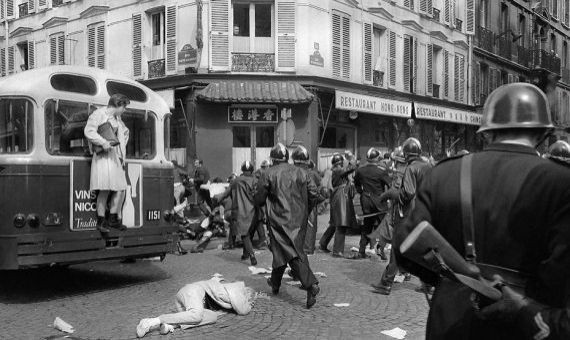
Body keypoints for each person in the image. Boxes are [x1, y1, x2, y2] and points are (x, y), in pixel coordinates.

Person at [394, 83, 570, 340]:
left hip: (452, 321)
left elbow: (405, 247)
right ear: (543, 132)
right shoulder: (562, 183)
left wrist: (457, 278)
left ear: (486, 132)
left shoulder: (443, 173)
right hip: (525, 324)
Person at [255, 143, 322, 309]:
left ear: (273, 158)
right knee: (284, 251)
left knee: (290, 253)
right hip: (299, 219)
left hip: (279, 219)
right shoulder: (301, 172)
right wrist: (305, 210)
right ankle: (275, 283)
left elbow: (259, 198)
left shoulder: (268, 173)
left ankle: (310, 283)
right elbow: (314, 194)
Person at [372, 137, 431, 295]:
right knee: (424, 250)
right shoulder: (428, 166)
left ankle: (386, 283)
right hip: (425, 213)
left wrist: (391, 193)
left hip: (408, 214)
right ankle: (429, 284)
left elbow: (407, 194)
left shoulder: (411, 168)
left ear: (406, 154)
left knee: (397, 249)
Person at [136, 277, 256, 338]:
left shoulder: (230, 297)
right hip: (193, 292)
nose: (248, 300)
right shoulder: (235, 289)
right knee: (197, 315)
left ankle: (171, 325)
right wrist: (249, 304)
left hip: (193, 304)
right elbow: (242, 309)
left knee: (213, 316)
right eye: (249, 298)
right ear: (245, 293)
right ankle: (151, 321)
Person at [84, 93, 131, 233]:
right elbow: (89, 131)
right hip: (103, 157)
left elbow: (124, 133)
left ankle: (112, 218)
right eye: (124, 107)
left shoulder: (118, 118)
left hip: (114, 157)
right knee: (104, 189)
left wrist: (120, 149)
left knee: (121, 187)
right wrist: (103, 142)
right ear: (117, 105)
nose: (125, 110)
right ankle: (101, 221)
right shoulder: (98, 114)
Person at [349, 148, 391, 260]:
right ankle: (380, 249)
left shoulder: (360, 170)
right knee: (385, 227)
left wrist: (362, 192)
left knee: (366, 226)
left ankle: (361, 251)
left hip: (366, 201)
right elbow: (390, 185)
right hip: (379, 201)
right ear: (377, 158)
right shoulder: (382, 170)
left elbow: (356, 184)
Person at [214, 161, 258, 266]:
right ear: (251, 170)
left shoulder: (235, 181)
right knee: (249, 233)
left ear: (242, 170)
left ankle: (252, 255)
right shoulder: (256, 181)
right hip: (253, 211)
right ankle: (245, 254)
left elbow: (226, 193)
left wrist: (218, 198)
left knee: (244, 234)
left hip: (240, 211)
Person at [318, 153, 357, 257]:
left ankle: (323, 243)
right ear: (339, 163)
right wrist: (350, 159)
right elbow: (352, 167)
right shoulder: (338, 170)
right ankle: (337, 251)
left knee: (334, 223)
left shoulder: (335, 170)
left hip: (338, 196)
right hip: (340, 197)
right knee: (341, 224)